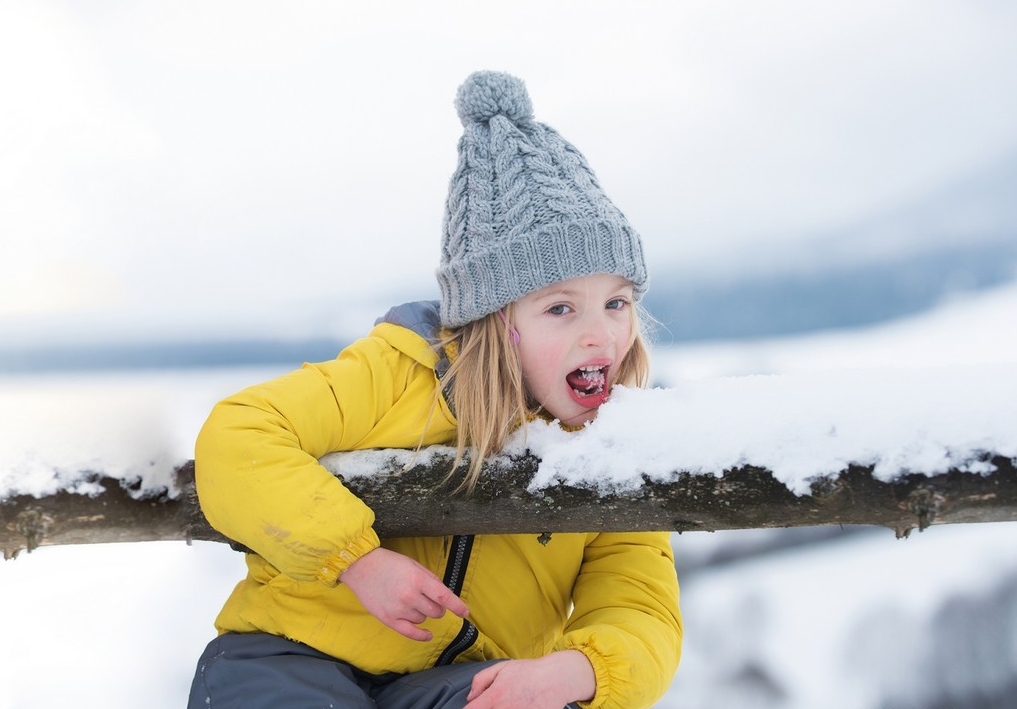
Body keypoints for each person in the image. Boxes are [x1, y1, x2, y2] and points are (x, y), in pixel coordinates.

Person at [187, 70, 682, 709]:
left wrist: (580, 671)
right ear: (495, 321)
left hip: (461, 683)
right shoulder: (399, 372)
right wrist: (356, 560)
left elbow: (639, 603)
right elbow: (240, 433)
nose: (601, 335)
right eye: (561, 308)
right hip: (293, 658)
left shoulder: (615, 447)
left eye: (616, 302)